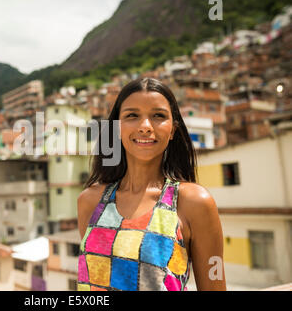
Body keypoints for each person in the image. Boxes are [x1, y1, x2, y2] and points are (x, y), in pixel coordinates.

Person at [77, 77, 226, 291]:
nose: (145, 126)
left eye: (158, 116)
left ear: (173, 129)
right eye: (132, 116)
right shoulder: (90, 202)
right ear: (117, 128)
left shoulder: (195, 203)